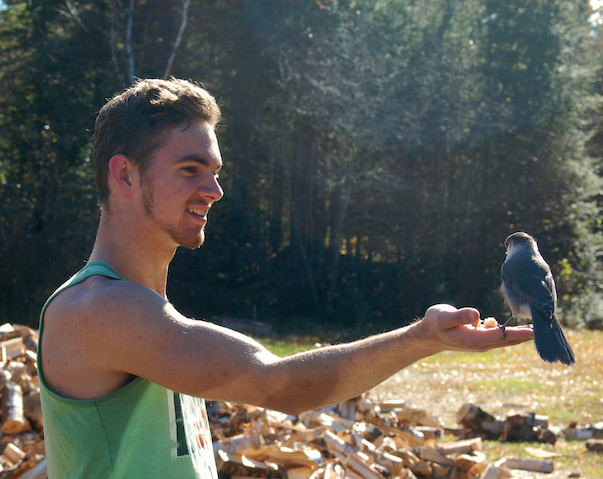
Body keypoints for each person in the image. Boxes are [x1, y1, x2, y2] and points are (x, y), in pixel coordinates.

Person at [37, 78, 534, 479]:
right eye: (190, 169)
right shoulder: (100, 310)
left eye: (214, 171)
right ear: (123, 175)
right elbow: (281, 385)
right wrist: (421, 338)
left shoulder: (143, 310)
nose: (214, 190)